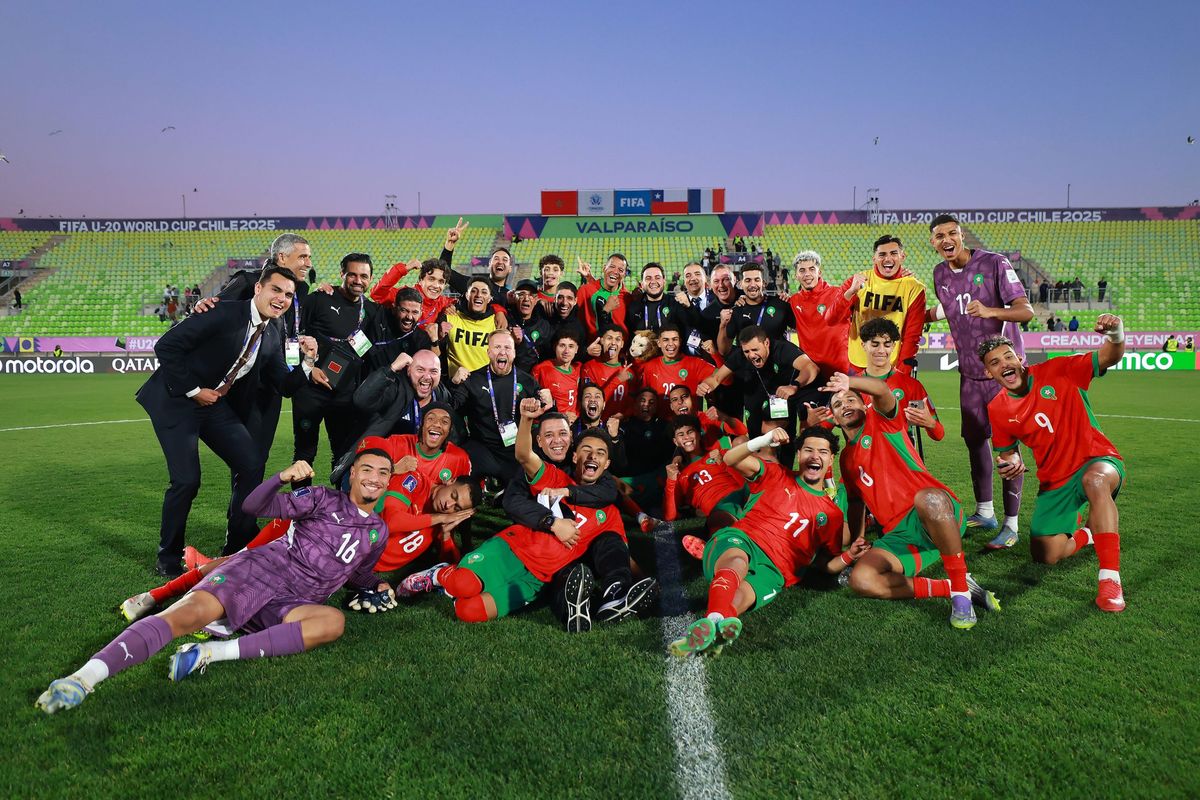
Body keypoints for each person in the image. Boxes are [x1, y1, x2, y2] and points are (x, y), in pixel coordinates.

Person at [37, 451, 396, 714]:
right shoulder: (320, 498)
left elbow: (357, 573)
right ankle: (82, 679)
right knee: (186, 615)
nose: (374, 478)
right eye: (367, 469)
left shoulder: (378, 531)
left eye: (383, 473)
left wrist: (377, 585)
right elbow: (254, 507)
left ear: (388, 481)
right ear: (352, 474)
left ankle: (208, 654)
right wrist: (280, 478)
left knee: (332, 622)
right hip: (259, 572)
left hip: (292, 601)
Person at [399, 400, 655, 625]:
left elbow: (620, 552)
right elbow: (523, 456)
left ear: (607, 464)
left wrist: (648, 586)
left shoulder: (608, 509)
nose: (593, 456)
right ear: (575, 456)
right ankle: (439, 574)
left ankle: (597, 597)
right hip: (511, 550)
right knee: (461, 584)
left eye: (600, 453)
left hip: (537, 578)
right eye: (587, 450)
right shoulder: (554, 476)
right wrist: (525, 420)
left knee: (468, 611)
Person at [135, 266, 315, 576]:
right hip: (177, 400)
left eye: (288, 294)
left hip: (212, 404)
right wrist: (194, 390)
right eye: (276, 290)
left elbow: (284, 386)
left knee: (251, 462)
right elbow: (166, 346)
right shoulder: (222, 312)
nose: (281, 298)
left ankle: (237, 547)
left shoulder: (271, 332)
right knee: (187, 481)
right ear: (258, 288)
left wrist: (309, 362)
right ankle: (168, 558)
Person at [823, 372, 998, 630]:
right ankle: (953, 586)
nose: (845, 405)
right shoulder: (846, 459)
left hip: (936, 515)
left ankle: (960, 595)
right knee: (862, 580)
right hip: (900, 535)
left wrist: (850, 382)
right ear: (835, 420)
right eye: (838, 405)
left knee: (928, 498)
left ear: (864, 405)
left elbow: (882, 390)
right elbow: (856, 503)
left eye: (851, 400)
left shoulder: (882, 421)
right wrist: (858, 540)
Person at [669, 426, 863, 657]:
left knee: (742, 597)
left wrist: (850, 554)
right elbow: (731, 458)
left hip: (776, 570)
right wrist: (765, 438)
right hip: (744, 539)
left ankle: (716, 631)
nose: (814, 456)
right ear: (799, 454)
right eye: (808, 450)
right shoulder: (776, 473)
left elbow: (825, 564)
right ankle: (713, 618)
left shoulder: (832, 515)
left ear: (831, 459)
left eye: (822, 452)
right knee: (738, 562)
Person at [980, 316, 1129, 612]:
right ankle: (1087, 532)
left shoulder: (1060, 369)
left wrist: (1115, 333)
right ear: (988, 373)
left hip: (1097, 460)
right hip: (1055, 481)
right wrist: (1010, 463)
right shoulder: (997, 408)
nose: (1004, 363)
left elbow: (1110, 355)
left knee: (1095, 482)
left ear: (1019, 358)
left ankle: (1110, 579)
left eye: (1008, 356)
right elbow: (1007, 452)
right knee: (1045, 554)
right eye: (995, 362)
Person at [926, 215, 1033, 546]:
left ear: (961, 235)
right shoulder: (939, 273)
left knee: (1006, 445)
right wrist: (916, 319)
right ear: (933, 242)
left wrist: (991, 311)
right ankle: (985, 512)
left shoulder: (994, 263)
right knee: (974, 440)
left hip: (1003, 374)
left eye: (952, 233)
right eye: (939, 236)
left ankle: (1011, 525)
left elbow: (1025, 311)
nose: (946, 239)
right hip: (969, 373)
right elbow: (947, 309)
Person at [292, 253, 378, 484]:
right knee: (304, 453)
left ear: (370, 278)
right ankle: (302, 508)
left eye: (364, 276)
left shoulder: (370, 310)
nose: (358, 280)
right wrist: (307, 368)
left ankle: (340, 507)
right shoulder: (318, 300)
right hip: (310, 391)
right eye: (352, 274)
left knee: (343, 454)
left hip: (344, 395)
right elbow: (290, 336)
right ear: (342, 274)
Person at [698, 324, 820, 465]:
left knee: (784, 451)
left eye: (755, 349)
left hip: (781, 403)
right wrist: (706, 385)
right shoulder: (740, 355)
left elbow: (811, 367)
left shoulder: (782, 349)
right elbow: (716, 378)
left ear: (766, 343)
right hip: (754, 403)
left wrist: (795, 385)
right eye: (746, 351)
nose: (751, 355)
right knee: (757, 449)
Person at [448, 330, 542, 487]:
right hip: (482, 448)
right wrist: (453, 384)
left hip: (515, 449)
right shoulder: (473, 379)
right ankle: (483, 481)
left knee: (522, 485)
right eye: (497, 347)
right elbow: (452, 408)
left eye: (507, 347)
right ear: (488, 352)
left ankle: (501, 484)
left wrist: (548, 402)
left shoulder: (528, 382)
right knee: (462, 458)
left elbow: (544, 411)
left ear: (514, 353)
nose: (502, 351)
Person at [840, 235, 926, 376]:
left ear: (902, 256)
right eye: (882, 254)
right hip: (857, 363)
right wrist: (850, 293)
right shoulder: (858, 281)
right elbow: (834, 318)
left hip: (890, 364)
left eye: (893, 253)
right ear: (874, 258)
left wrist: (903, 370)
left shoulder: (914, 288)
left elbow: (913, 335)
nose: (887, 259)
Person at [857, 318, 944, 442]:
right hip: (862, 458)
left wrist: (930, 423)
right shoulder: (852, 385)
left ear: (893, 346)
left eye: (887, 344)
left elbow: (938, 435)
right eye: (875, 344)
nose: (881, 350)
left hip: (899, 458)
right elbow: (827, 423)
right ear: (863, 345)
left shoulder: (910, 386)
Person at [786, 250, 851, 377]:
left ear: (819, 272)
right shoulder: (793, 301)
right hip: (812, 371)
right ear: (796, 275)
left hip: (840, 370)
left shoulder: (839, 293)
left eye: (811, 269)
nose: (807, 274)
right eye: (802, 270)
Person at [717, 264, 794, 356]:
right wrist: (722, 325)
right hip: (749, 366)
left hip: (778, 364)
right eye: (748, 280)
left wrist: (793, 302)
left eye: (757, 280)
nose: (752, 285)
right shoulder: (736, 311)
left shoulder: (781, 304)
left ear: (764, 283)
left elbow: (804, 328)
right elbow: (723, 351)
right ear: (741, 284)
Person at [639, 324, 720, 402]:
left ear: (680, 341)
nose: (671, 344)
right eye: (665, 340)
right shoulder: (650, 366)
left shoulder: (695, 364)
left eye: (675, 339)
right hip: (660, 416)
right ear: (659, 343)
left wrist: (715, 354)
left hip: (687, 416)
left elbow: (727, 380)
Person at [364, 287, 435, 372]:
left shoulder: (421, 339)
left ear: (421, 313)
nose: (409, 317)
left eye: (415, 312)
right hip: (366, 380)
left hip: (398, 383)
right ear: (394, 308)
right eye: (404, 310)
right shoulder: (378, 316)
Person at [575, 254, 631, 338]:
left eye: (620, 270)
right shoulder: (585, 291)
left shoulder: (627, 297)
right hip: (593, 349)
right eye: (612, 266)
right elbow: (576, 322)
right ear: (604, 268)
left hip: (620, 350)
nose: (615, 272)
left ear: (624, 274)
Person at [531, 330, 583, 420]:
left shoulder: (579, 368)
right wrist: (562, 416)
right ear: (555, 347)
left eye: (571, 346)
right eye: (562, 345)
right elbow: (533, 401)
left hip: (574, 424)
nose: (566, 351)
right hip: (550, 422)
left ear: (576, 349)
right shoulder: (541, 369)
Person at [508, 279, 554, 373]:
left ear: (536, 299)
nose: (526, 298)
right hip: (508, 377)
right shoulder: (506, 319)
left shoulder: (544, 325)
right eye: (521, 294)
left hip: (532, 379)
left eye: (531, 295)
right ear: (514, 298)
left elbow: (550, 356)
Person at [624, 263, 682, 334]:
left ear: (664, 281)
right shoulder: (633, 307)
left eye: (657, 277)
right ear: (642, 284)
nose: (653, 282)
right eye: (648, 278)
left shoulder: (676, 304)